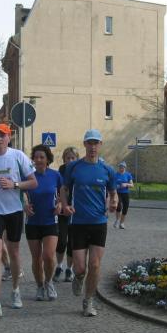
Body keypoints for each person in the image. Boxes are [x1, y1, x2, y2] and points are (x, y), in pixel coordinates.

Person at [0, 122, 37, 319]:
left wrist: (14, 184)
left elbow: (33, 182)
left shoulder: (18, 156)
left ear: (9, 137)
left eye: (2, 135)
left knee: (14, 252)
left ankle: (15, 289)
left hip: (15, 210)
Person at [60, 129, 117, 317]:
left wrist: (114, 202)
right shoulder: (73, 167)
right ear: (85, 144)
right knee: (80, 267)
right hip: (78, 223)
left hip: (99, 222)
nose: (93, 147)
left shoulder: (107, 170)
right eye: (90, 143)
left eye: (96, 143)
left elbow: (113, 192)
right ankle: (78, 277)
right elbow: (64, 189)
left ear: (100, 145)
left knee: (95, 264)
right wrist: (65, 205)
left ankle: (89, 301)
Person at [23, 144, 62, 301]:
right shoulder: (29, 176)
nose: (38, 160)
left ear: (47, 159)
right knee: (36, 258)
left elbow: (62, 194)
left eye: (42, 157)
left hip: (50, 221)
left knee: (49, 256)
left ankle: (49, 282)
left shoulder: (55, 175)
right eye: (36, 157)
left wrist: (60, 204)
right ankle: (39, 286)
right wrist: (24, 205)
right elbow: (22, 194)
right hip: (32, 222)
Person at [53, 146, 79, 283]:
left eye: (73, 158)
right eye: (68, 158)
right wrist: (58, 202)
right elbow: (57, 189)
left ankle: (69, 269)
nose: (70, 160)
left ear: (77, 159)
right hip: (63, 211)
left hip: (75, 211)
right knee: (61, 241)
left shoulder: (80, 171)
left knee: (72, 243)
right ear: (64, 159)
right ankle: (59, 266)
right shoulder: (61, 171)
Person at [112, 161, 134, 229]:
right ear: (119, 167)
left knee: (125, 208)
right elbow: (112, 185)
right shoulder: (115, 175)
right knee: (119, 206)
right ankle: (117, 220)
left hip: (126, 193)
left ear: (125, 168)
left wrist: (126, 184)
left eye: (123, 167)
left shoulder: (128, 175)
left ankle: (122, 223)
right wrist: (118, 186)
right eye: (120, 167)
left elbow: (132, 185)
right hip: (118, 193)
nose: (121, 168)